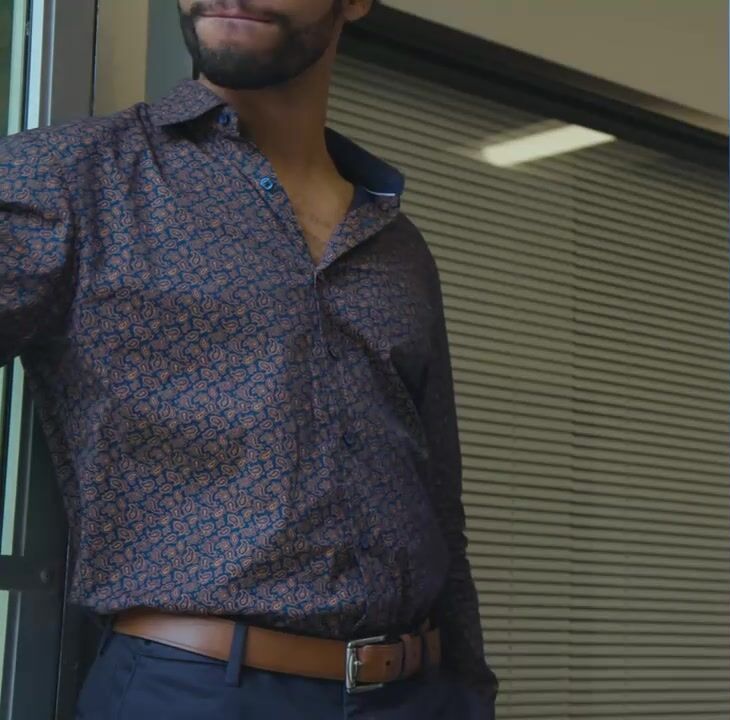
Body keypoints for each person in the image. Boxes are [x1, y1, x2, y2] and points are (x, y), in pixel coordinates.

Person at [0, 0, 496, 717]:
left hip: (418, 692)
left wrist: (471, 694)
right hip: (192, 691)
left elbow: (439, 502)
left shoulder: (398, 246)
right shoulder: (69, 179)